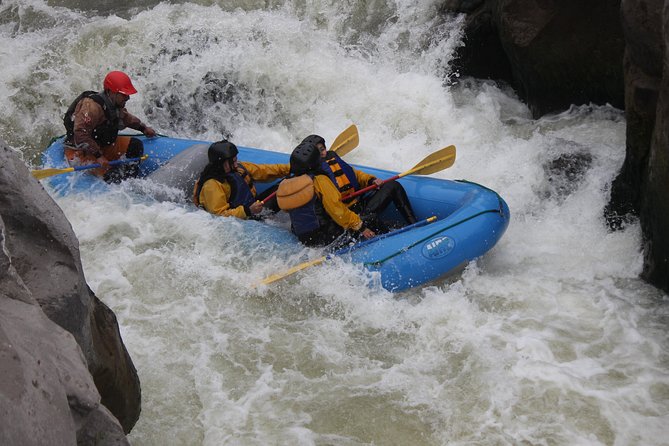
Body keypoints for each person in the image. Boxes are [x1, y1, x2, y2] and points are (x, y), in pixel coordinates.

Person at [300, 134, 417, 231]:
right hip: (346, 218)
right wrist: (357, 225)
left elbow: (354, 174)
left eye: (322, 149)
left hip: (360, 205)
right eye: (317, 151)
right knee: (371, 218)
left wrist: (371, 180)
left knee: (393, 186)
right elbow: (334, 209)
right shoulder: (314, 175)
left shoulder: (332, 157)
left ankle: (415, 225)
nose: (322, 153)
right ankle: (393, 239)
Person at [276, 141, 376, 247]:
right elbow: (337, 211)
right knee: (371, 219)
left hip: (304, 238)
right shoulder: (320, 180)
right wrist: (361, 227)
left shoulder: (286, 183)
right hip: (327, 235)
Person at [63, 70, 157, 183]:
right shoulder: (91, 107)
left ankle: (130, 180)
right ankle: (116, 180)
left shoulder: (114, 105)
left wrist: (143, 128)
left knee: (135, 145)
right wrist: (98, 156)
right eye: (123, 94)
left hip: (103, 145)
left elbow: (126, 118)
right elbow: (80, 133)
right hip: (82, 150)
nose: (127, 98)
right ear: (110, 92)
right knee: (112, 178)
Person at [193, 140, 290, 219]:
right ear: (221, 163)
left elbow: (265, 171)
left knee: (287, 183)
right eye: (233, 161)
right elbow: (219, 215)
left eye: (235, 160)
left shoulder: (238, 169)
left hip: (251, 208)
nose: (236, 164)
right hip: (241, 218)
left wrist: (291, 168)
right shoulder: (212, 185)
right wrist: (248, 211)